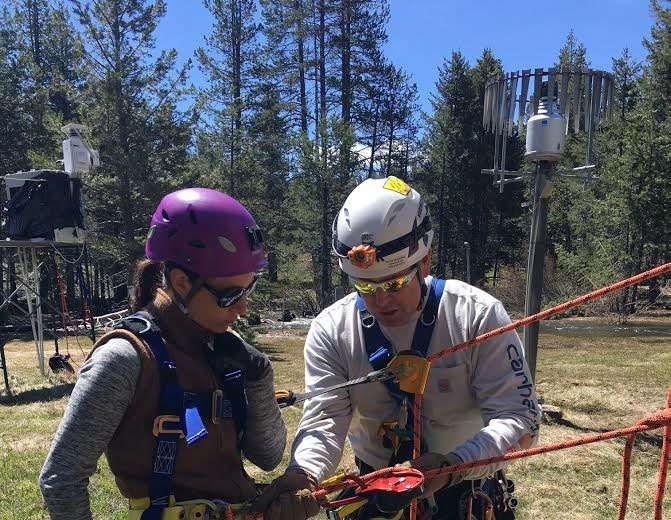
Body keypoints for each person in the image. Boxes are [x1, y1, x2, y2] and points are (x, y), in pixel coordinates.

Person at [254, 176, 541, 520]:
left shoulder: (475, 316)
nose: (380, 300)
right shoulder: (332, 330)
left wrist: (453, 465)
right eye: (364, 286)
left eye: (395, 283)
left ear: (425, 261)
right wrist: (305, 473)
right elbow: (325, 419)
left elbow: (521, 420)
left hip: (466, 492)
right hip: (376, 495)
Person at [39, 188, 286, 520]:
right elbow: (61, 478)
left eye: (249, 288)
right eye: (230, 295)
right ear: (182, 282)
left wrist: (258, 375)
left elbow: (268, 457)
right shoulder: (125, 359)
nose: (243, 308)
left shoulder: (223, 349)